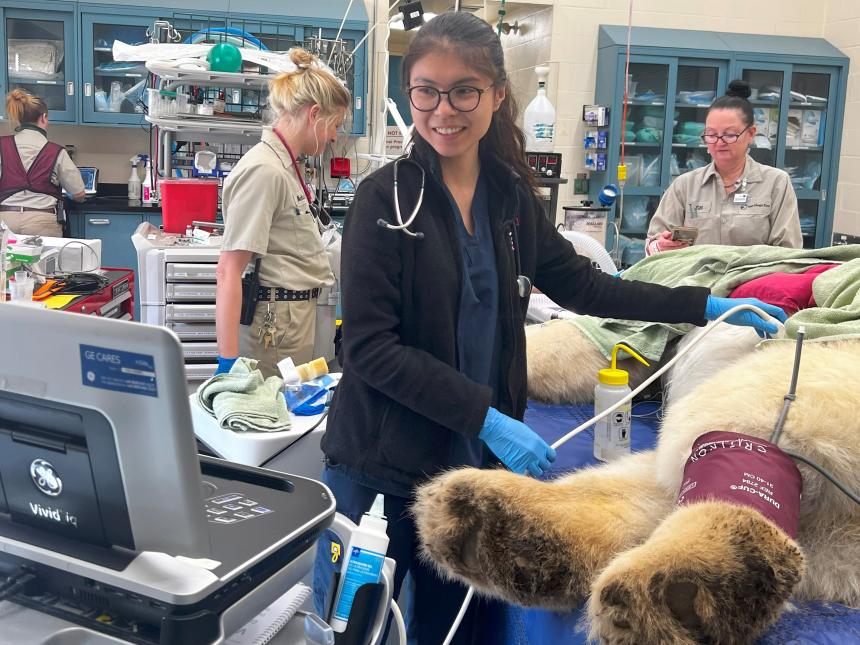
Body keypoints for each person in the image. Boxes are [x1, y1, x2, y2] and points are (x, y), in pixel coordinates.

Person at [312, 13, 787, 644]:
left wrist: (702, 307)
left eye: (464, 91)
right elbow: (370, 348)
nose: (442, 109)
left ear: (497, 95)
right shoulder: (385, 201)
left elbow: (584, 284)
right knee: (354, 626)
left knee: (460, 632)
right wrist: (485, 416)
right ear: (409, 92)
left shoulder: (509, 198)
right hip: (382, 461)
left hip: (474, 472)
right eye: (425, 90)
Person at [215, 48, 350, 377]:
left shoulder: (287, 167)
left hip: (292, 320)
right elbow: (228, 272)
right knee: (270, 418)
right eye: (335, 125)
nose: (334, 136)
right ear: (314, 115)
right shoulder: (265, 172)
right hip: (274, 329)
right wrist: (227, 363)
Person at [646, 79, 803, 255]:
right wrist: (660, 245)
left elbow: (788, 252)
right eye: (711, 135)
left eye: (729, 135)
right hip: (692, 280)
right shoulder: (684, 185)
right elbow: (653, 244)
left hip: (751, 281)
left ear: (751, 133)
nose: (719, 142)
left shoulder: (776, 183)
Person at [0, 89, 85, 237]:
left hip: (5, 221)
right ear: (44, 117)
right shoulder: (56, 151)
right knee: (45, 260)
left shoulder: (2, 145)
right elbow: (79, 193)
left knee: (6, 261)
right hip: (42, 222)